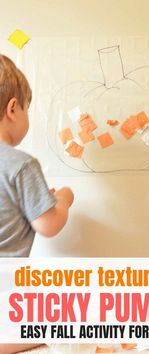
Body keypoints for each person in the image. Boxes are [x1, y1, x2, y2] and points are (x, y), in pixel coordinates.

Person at [0, 54, 74, 353]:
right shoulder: (20, 164)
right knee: (63, 316)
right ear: (13, 108)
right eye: (28, 109)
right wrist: (63, 200)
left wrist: (39, 199)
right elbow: (48, 224)